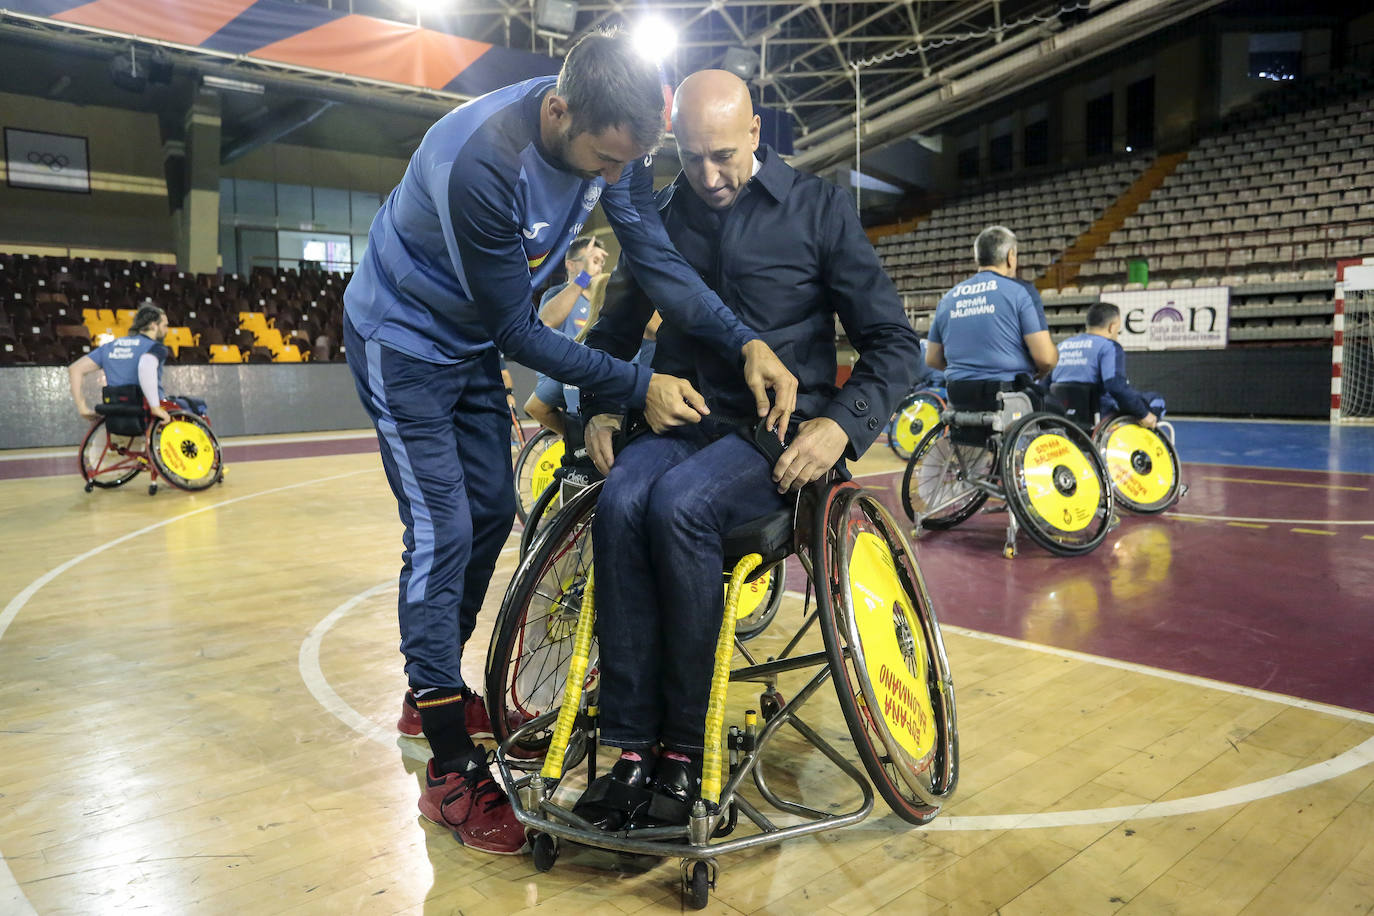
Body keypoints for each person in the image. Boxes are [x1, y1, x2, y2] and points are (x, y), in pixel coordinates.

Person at [342, 30, 795, 856]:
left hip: (466, 345)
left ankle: (427, 693)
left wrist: (743, 341)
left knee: (488, 518)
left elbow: (653, 255)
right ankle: (448, 765)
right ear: (558, 111)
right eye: (601, 163)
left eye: (628, 165)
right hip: (402, 343)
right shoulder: (484, 163)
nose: (614, 181)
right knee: (443, 533)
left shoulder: (617, 142)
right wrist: (634, 384)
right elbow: (518, 329)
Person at [568, 69, 920, 829]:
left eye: (723, 155)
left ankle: (686, 753)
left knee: (680, 507)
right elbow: (612, 336)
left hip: (778, 439)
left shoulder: (820, 210)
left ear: (756, 132)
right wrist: (600, 407)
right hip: (682, 424)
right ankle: (631, 749)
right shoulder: (658, 219)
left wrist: (841, 426)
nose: (710, 176)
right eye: (692, 159)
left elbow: (895, 345)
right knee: (624, 497)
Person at [925, 225, 1056, 410]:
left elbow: (932, 359)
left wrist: (968, 371)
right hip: (1007, 397)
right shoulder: (1020, 292)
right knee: (1057, 410)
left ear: (978, 257)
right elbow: (1046, 359)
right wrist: (1038, 371)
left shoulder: (948, 298)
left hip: (958, 397)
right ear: (1011, 256)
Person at [67, 304, 206, 424]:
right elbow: (146, 366)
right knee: (197, 406)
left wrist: (82, 408)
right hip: (145, 412)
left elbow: (75, 369)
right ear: (153, 325)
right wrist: (155, 407)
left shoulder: (111, 346)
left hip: (115, 411)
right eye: (165, 325)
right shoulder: (155, 347)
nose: (167, 330)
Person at [1051, 301, 1164, 428]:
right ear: (1112, 327)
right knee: (1156, 400)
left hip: (1064, 418)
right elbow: (1115, 385)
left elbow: (1045, 385)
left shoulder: (1061, 347)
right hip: (1101, 417)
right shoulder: (1109, 346)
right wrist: (1143, 414)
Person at [537, 234, 608, 334]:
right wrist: (585, 276)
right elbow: (546, 322)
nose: (598, 268)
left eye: (601, 263)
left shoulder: (603, 304)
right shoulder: (556, 293)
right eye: (594, 261)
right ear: (570, 265)